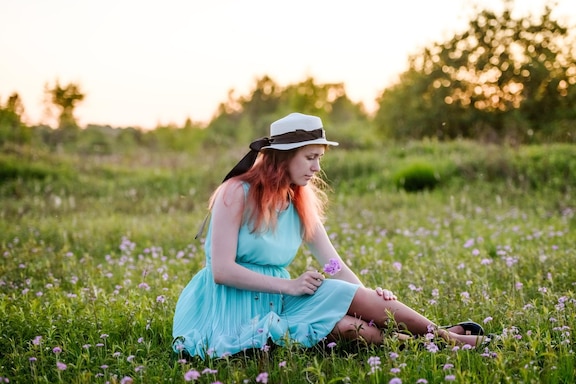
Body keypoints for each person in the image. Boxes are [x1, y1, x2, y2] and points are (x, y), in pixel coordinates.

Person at [172, 112, 487, 359]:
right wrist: (290, 286)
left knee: (351, 301)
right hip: (228, 307)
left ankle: (447, 340)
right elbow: (222, 271)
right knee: (346, 328)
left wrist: (366, 298)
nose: (316, 167)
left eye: (319, 158)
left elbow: (332, 264)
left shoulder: (298, 201)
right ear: (283, 156)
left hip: (278, 300)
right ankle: (435, 342)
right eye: (310, 157)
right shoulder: (235, 192)